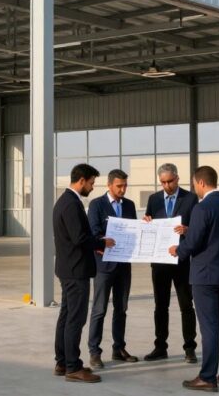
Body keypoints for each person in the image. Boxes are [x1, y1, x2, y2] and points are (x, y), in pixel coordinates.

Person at [169, 166, 219, 392]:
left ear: (200, 183)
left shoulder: (202, 208)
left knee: (209, 327)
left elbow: (193, 244)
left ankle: (207, 377)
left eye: (193, 184)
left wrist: (177, 250)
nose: (193, 189)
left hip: (204, 277)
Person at [53, 163, 115, 383]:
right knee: (75, 320)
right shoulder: (70, 204)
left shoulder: (65, 201)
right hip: (75, 270)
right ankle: (73, 367)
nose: (92, 187)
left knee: (66, 316)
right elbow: (79, 238)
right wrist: (102, 242)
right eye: (91, 183)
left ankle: (62, 362)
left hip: (68, 268)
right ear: (81, 181)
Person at [143, 163, 199, 363]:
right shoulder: (154, 199)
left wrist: (188, 229)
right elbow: (149, 222)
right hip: (159, 262)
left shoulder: (191, 199)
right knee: (160, 306)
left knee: (186, 305)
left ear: (177, 178)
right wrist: (146, 221)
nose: (167, 185)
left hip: (182, 261)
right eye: (163, 182)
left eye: (170, 181)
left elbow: (198, 228)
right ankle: (160, 346)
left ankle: (190, 347)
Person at [86, 169, 139, 369]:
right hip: (104, 266)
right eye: (119, 186)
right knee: (99, 309)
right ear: (109, 185)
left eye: (125, 185)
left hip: (124, 266)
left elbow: (134, 230)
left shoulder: (130, 206)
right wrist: (103, 241)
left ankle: (118, 348)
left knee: (121, 308)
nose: (123, 189)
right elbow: (93, 233)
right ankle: (94, 351)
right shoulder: (97, 205)